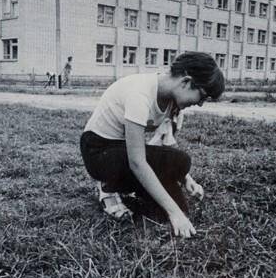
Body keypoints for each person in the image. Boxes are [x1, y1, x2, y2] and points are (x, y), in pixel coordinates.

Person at [79, 51, 224, 238]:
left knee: (179, 203)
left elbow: (166, 150)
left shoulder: (174, 102)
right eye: (202, 96)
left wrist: (187, 179)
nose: (201, 104)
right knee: (181, 163)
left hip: (123, 150)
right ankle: (108, 186)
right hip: (98, 151)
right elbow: (137, 162)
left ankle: (131, 189)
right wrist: (175, 214)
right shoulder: (139, 93)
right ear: (186, 82)